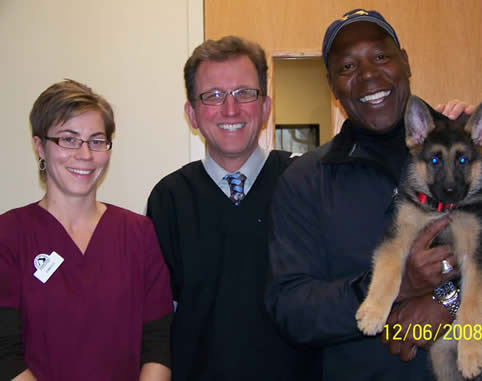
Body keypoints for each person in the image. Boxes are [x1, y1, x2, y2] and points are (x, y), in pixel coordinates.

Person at [265, 8, 482, 380]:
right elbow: (293, 309)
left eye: (380, 57)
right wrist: (393, 287)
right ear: (331, 84)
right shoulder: (304, 181)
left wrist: (448, 300)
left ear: (405, 61)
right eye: (347, 67)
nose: (367, 76)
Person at [146, 36, 312, 381]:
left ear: (265, 107)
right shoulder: (168, 199)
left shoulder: (305, 183)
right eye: (214, 96)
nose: (231, 109)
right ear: (192, 113)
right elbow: (157, 321)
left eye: (244, 93)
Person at [0, 79, 173, 381]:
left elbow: (158, 346)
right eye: (68, 139)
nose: (85, 154)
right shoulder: (10, 235)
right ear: (40, 146)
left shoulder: (138, 233)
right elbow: (5, 354)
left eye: (96, 140)